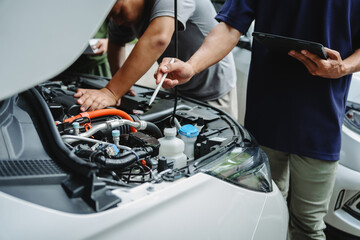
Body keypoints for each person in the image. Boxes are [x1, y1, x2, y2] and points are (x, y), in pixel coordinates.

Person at [155, 1, 360, 239]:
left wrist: (343, 67)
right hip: (266, 114)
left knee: (308, 225)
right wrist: (192, 66)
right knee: (265, 213)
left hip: (321, 121)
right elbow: (230, 27)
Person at [74, 0, 238, 119]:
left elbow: (157, 38)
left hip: (211, 91)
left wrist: (111, 92)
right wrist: (121, 88)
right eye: (110, 17)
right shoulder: (124, 13)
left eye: (117, 13)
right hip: (177, 87)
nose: (116, 21)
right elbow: (116, 43)